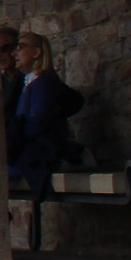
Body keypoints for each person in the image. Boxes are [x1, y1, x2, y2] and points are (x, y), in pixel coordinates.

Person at [6, 31, 84, 198]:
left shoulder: (43, 82)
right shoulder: (30, 83)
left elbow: (37, 123)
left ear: (36, 52)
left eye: (20, 48)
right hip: (29, 150)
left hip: (42, 150)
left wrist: (14, 137)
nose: (15, 53)